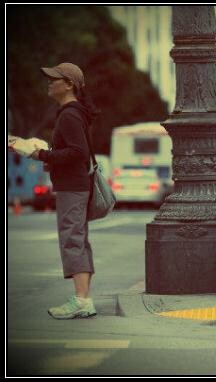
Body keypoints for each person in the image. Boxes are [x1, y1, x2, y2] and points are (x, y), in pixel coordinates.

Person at [30, 62, 100, 319]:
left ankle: (81, 300)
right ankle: (84, 300)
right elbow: (76, 152)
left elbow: (77, 152)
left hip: (73, 187)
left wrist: (41, 154)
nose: (49, 82)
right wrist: (50, 158)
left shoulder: (69, 114)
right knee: (78, 239)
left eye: (54, 78)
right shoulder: (73, 112)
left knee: (72, 240)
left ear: (69, 84)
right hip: (76, 185)